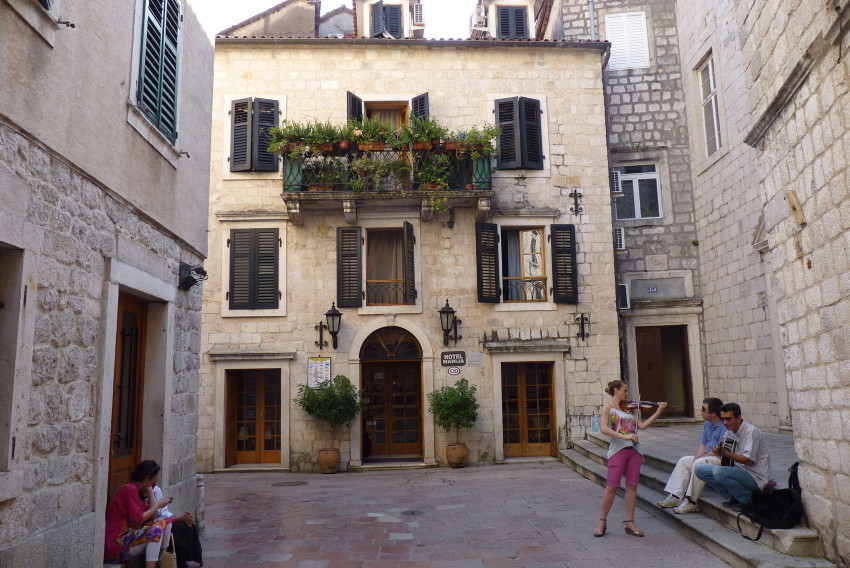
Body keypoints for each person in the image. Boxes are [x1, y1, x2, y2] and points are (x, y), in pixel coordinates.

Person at [595, 380, 667, 538]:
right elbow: (604, 428)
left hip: (634, 451)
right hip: (617, 450)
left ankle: (629, 521)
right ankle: (602, 521)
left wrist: (658, 411)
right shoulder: (608, 408)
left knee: (632, 486)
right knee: (611, 486)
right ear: (616, 390)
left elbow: (642, 426)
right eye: (625, 390)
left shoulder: (631, 410)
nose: (627, 394)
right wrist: (625, 436)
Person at [694, 402, 771, 512]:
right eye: (723, 419)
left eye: (728, 419)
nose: (725, 422)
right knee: (699, 469)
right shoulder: (729, 431)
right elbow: (726, 451)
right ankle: (733, 497)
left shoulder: (751, 431)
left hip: (755, 477)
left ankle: (748, 500)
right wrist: (718, 451)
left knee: (719, 472)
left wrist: (726, 454)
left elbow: (749, 460)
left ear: (738, 418)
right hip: (737, 470)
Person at [656, 397, 726, 514]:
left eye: (703, 409)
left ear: (713, 413)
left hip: (719, 458)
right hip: (707, 456)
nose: (701, 411)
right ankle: (676, 496)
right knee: (684, 461)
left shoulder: (724, 426)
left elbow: (718, 451)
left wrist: (699, 460)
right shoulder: (707, 424)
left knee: (700, 463)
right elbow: (703, 445)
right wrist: (696, 459)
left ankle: (691, 501)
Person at [104, 460, 173, 567]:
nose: (156, 482)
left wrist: (150, 491)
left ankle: (161, 561)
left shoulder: (137, 491)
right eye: (155, 478)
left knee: (166, 521)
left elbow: (153, 516)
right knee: (156, 530)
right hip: (116, 543)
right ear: (147, 479)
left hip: (127, 537)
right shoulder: (129, 489)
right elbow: (137, 519)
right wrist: (158, 505)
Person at [152, 484, 204, 567]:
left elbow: (164, 512)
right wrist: (178, 518)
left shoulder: (156, 489)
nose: (156, 482)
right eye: (154, 479)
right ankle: (182, 563)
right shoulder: (144, 492)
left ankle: (193, 561)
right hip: (153, 525)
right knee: (178, 528)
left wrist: (180, 516)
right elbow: (152, 518)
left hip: (163, 521)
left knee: (187, 524)